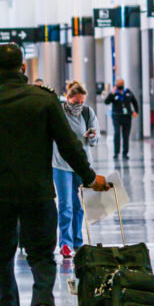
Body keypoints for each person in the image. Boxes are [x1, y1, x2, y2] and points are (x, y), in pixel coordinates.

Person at [0, 43, 109, 306]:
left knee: (3, 260)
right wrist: (88, 176)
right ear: (23, 68)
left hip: (0, 195)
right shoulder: (43, 100)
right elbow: (69, 144)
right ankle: (42, 304)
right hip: (38, 191)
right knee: (42, 257)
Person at [52, 81, 99, 259]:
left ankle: (77, 240)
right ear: (68, 98)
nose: (79, 106)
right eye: (75, 102)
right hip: (61, 164)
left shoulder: (88, 113)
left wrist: (93, 135)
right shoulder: (59, 113)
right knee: (66, 205)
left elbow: (96, 138)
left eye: (81, 102)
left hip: (82, 164)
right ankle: (65, 242)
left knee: (79, 205)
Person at [104, 79, 139, 159]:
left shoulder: (128, 92)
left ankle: (125, 153)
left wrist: (136, 111)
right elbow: (106, 102)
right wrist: (111, 94)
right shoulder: (114, 94)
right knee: (117, 133)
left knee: (126, 135)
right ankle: (116, 152)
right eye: (118, 84)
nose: (120, 85)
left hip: (127, 116)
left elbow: (135, 101)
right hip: (116, 116)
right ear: (116, 85)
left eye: (121, 84)